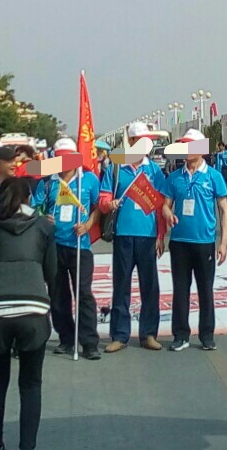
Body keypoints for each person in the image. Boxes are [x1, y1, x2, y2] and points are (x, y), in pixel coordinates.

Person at [0, 177, 56, 450]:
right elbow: (51, 273)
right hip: (34, 308)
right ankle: (27, 446)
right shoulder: (43, 226)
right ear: (29, 199)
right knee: (31, 384)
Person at [100, 121, 167, 353]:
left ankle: (148, 334)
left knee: (150, 287)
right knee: (121, 286)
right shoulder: (116, 167)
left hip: (148, 236)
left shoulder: (154, 170)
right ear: (130, 142)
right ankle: (120, 335)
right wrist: (109, 204)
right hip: (123, 236)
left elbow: (160, 205)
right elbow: (103, 198)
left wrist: (161, 234)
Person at [161, 128, 227, 352]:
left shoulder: (213, 176)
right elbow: (165, 205)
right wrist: (168, 214)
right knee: (180, 290)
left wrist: (223, 243)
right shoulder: (174, 177)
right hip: (180, 242)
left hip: (204, 243)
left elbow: (223, 210)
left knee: (205, 290)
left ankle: (207, 335)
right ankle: (180, 335)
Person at [35, 138, 101, 359]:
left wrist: (88, 225)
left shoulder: (88, 179)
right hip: (54, 246)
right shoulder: (48, 182)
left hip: (80, 245)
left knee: (83, 294)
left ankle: (89, 342)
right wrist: (44, 218)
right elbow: (35, 208)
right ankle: (66, 338)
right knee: (58, 294)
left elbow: (97, 208)